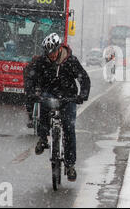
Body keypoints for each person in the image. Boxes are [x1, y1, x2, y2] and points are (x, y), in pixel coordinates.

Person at [29, 33, 91, 182]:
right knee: (42, 110)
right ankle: (43, 139)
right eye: (48, 53)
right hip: (49, 94)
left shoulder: (70, 61)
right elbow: (31, 77)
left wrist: (82, 95)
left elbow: (84, 79)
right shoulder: (42, 61)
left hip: (68, 97)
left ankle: (70, 165)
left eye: (53, 52)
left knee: (69, 127)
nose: (51, 56)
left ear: (58, 48)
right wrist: (32, 92)